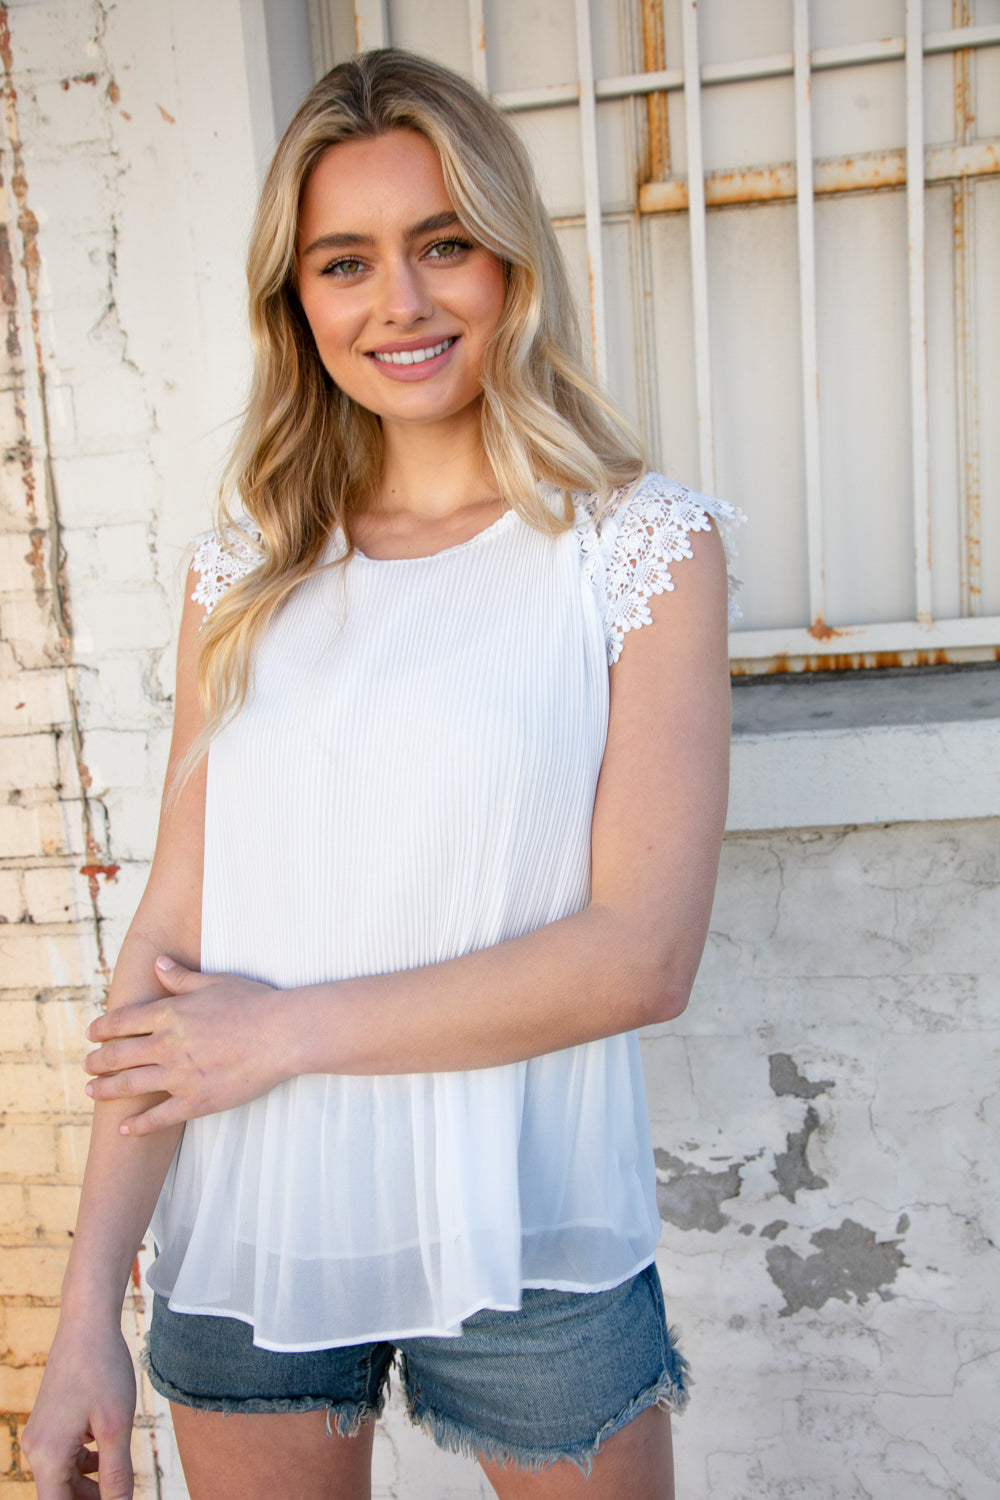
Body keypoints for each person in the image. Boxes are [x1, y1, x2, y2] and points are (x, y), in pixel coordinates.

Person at [23, 47, 741, 1500]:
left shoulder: (636, 551)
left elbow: (640, 957)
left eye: (441, 245)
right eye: (344, 262)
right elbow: (168, 938)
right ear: (298, 302)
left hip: (533, 1231)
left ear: (507, 261)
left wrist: (279, 1035)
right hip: (248, 1236)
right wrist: (86, 1305)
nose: (398, 303)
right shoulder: (242, 572)